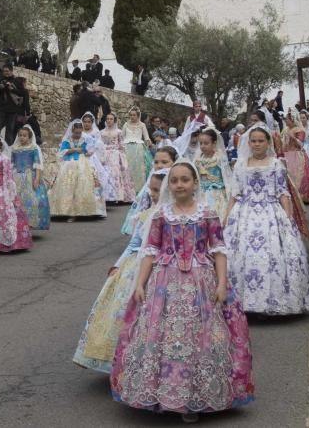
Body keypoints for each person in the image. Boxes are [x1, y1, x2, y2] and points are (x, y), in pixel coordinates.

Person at [110, 161, 255, 419]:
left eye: (185, 180)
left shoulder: (208, 213)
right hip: (164, 281)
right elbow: (150, 251)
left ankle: (195, 397)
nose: (179, 185)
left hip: (201, 281)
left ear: (195, 183)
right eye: (175, 180)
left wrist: (221, 283)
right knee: (162, 335)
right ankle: (162, 393)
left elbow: (219, 250)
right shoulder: (161, 215)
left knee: (200, 336)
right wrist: (140, 283)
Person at [74, 169, 168, 373]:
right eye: (151, 189)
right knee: (117, 313)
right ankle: (115, 360)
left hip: (156, 268)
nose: (151, 193)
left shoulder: (168, 217)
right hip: (131, 266)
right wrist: (118, 265)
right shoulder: (144, 216)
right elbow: (133, 243)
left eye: (156, 190)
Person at [225, 127, 309, 315]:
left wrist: (288, 218)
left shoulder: (276, 164)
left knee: (275, 255)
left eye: (261, 141)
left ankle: (277, 300)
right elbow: (234, 194)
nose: (257, 144)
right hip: (244, 214)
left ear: (268, 143)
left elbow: (282, 192)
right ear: (248, 143)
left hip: (271, 212)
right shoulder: (241, 165)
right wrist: (226, 219)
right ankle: (241, 302)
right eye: (254, 141)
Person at [0, 136, 33, 253]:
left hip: (2, 190)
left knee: (4, 214)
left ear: (0, 147)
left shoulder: (5, 160)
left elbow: (9, 177)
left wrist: (10, 194)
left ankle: (7, 242)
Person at [119, 146, 178, 235]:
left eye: (164, 162)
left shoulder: (175, 180)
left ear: (174, 162)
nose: (159, 165)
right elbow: (145, 200)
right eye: (156, 162)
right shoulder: (152, 177)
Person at [50, 121, 102, 221]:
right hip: (68, 163)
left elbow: (89, 149)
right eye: (76, 133)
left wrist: (87, 152)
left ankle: (82, 210)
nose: (78, 135)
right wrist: (73, 150)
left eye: (79, 132)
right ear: (72, 131)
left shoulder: (84, 139)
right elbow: (62, 152)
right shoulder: (67, 140)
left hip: (82, 163)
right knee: (68, 185)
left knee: (82, 185)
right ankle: (68, 211)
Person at [10, 125, 51, 231]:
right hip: (16, 176)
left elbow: (37, 165)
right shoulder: (14, 149)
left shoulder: (33, 149)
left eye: (24, 135)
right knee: (17, 200)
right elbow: (11, 164)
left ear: (29, 137)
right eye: (20, 135)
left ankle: (30, 223)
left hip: (29, 176)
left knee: (31, 200)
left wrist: (37, 179)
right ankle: (18, 224)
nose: (22, 137)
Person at [195, 127, 233, 223]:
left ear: (214, 143)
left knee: (217, 217)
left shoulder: (219, 158)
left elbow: (227, 177)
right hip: (201, 193)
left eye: (206, 143)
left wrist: (229, 195)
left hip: (217, 193)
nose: (203, 146)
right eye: (201, 143)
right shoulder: (198, 160)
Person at [282, 113, 309, 204]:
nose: (285, 121)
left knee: (299, 175)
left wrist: (293, 138)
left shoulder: (300, 130)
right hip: (287, 154)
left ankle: (303, 196)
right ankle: (291, 196)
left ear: (292, 120)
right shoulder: (286, 129)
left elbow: (301, 144)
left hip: (297, 155)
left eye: (287, 119)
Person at [0, 65, 27, 145]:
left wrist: (13, 89)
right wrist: (1, 88)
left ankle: (8, 149)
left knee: (10, 131)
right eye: (4, 71)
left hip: (12, 110)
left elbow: (22, 93)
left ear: (11, 71)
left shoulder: (17, 81)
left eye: (7, 71)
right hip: (0, 109)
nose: (6, 73)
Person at [122, 107, 153, 192]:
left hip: (138, 149)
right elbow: (121, 136)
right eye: (131, 115)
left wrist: (148, 142)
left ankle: (137, 189)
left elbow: (146, 137)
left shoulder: (142, 125)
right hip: (127, 148)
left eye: (134, 115)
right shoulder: (126, 124)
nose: (132, 117)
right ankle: (127, 190)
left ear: (138, 115)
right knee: (126, 168)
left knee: (138, 170)